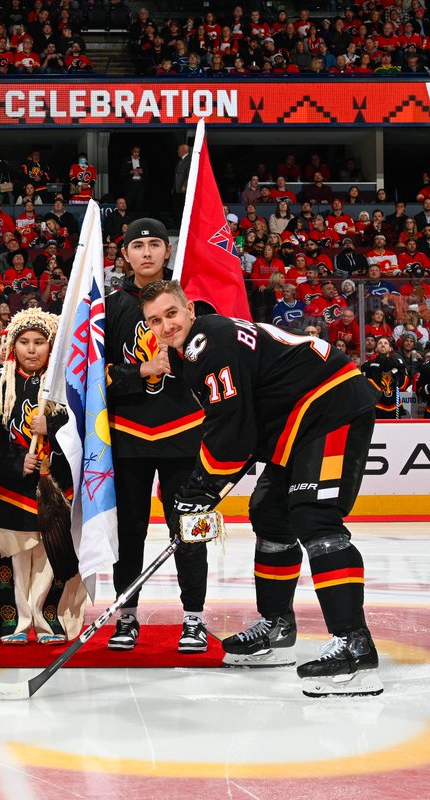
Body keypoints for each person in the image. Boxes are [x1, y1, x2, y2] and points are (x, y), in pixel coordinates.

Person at [141, 279, 383, 697]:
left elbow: (231, 435)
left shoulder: (207, 343)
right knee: (270, 512)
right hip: (298, 418)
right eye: (154, 321)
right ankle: (278, 626)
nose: (165, 326)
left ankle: (354, 645)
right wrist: (203, 492)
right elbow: (244, 433)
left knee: (314, 515)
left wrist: (197, 492)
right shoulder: (199, 348)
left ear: (190, 311)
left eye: (171, 314)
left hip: (330, 403)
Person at [106, 219, 209, 653]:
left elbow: (216, 366)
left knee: (190, 528)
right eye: (137, 245)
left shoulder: (190, 304)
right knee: (127, 531)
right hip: (128, 436)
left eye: (154, 244)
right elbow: (95, 376)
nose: (146, 252)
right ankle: (126, 617)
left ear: (166, 252)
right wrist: (140, 371)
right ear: (125, 254)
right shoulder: (107, 308)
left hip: (185, 435)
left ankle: (194, 619)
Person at [0, 309, 85, 644]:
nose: (31, 349)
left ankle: (51, 621)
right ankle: (14, 623)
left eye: (39, 342)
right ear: (12, 345)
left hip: (57, 490)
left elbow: (88, 429)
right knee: (13, 562)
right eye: (24, 342)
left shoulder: (68, 387)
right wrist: (16, 460)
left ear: (52, 347)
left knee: (54, 559)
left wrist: (56, 426)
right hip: (10, 490)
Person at [363, 336, 409, 418]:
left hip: (395, 405)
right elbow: (367, 387)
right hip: (377, 406)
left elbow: (403, 386)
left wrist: (398, 371)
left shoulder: (397, 363)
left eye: (385, 343)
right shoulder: (368, 365)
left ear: (390, 348)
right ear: (376, 348)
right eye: (380, 343)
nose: (383, 345)